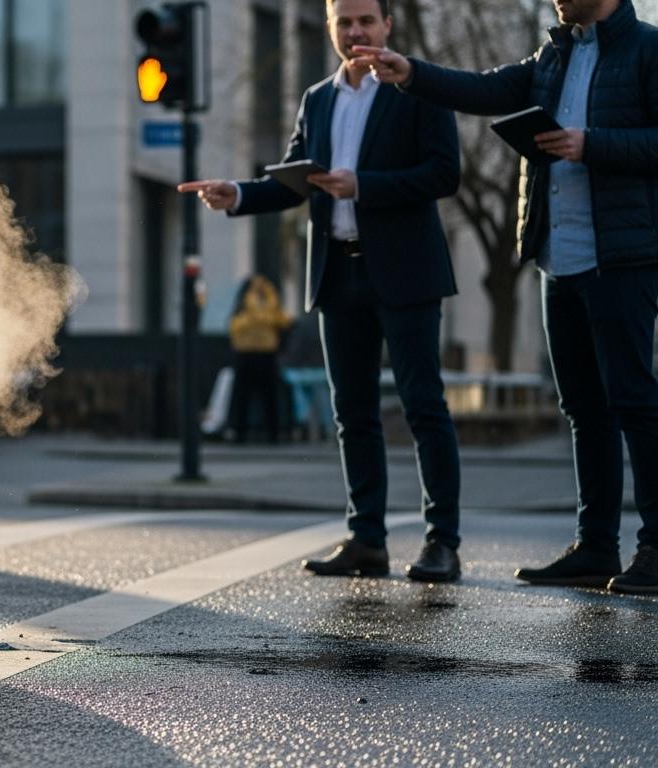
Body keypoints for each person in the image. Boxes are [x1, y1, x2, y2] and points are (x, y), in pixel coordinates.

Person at [357, 0, 658, 594]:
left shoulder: (648, 50)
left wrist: (590, 143)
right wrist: (411, 72)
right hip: (558, 256)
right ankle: (596, 546)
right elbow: (485, 89)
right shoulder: (555, 52)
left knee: (633, 401)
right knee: (583, 409)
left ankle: (656, 547)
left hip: (623, 255)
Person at [179, 0, 464, 582]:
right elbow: (293, 177)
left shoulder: (418, 88)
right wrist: (238, 194)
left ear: (388, 24)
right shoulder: (318, 98)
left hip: (407, 273)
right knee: (351, 413)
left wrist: (363, 185)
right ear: (332, 26)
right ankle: (367, 539)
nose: (355, 31)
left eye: (366, 20)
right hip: (338, 273)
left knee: (423, 406)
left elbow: (444, 174)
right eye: (344, 21)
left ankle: (442, 542)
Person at [227, 275, 292, 443]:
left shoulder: (272, 305)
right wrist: (257, 313)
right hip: (245, 355)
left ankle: (274, 433)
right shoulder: (241, 307)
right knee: (242, 396)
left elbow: (284, 321)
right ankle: (238, 432)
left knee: (270, 396)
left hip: (267, 356)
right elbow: (234, 327)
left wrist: (270, 298)